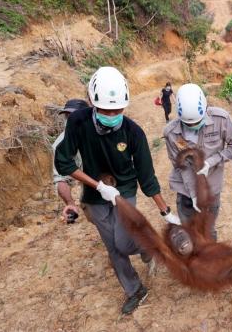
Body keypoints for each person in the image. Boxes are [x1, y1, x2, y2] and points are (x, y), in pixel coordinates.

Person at [54, 66, 181, 315]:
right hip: (94, 194)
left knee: (123, 242)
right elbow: (64, 163)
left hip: (124, 190)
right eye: (105, 110)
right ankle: (135, 290)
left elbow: (146, 177)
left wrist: (165, 211)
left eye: (117, 110)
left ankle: (148, 248)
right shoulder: (78, 122)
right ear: (92, 102)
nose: (112, 114)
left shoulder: (133, 133)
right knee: (112, 247)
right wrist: (98, 186)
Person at [163, 83, 232, 239]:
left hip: (212, 187)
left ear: (206, 109)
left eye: (197, 122)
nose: (193, 126)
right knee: (188, 231)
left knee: (208, 231)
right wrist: (193, 194)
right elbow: (181, 166)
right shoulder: (171, 132)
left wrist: (211, 161)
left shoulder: (221, 120)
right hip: (185, 190)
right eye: (188, 124)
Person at [52, 99, 89, 223]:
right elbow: (60, 179)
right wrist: (70, 203)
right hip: (88, 180)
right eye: (67, 116)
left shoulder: (101, 132)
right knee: (91, 210)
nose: (70, 121)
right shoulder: (59, 146)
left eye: (74, 116)